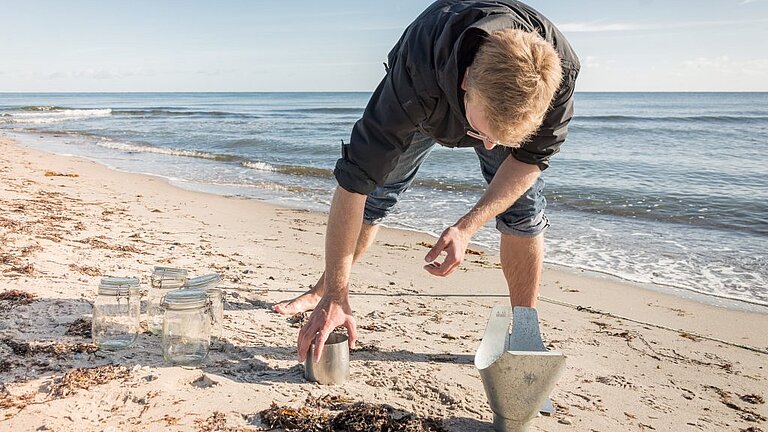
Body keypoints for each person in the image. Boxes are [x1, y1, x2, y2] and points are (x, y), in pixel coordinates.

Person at [274, 0, 580, 363]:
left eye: (498, 139)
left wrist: (467, 227)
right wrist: (336, 296)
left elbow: (530, 160)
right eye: (483, 133)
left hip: (485, 104)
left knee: (523, 212)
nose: (488, 147)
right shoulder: (415, 75)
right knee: (375, 195)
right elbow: (354, 183)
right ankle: (325, 290)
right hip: (429, 97)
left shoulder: (557, 76)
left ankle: (526, 334)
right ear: (466, 81)